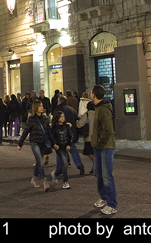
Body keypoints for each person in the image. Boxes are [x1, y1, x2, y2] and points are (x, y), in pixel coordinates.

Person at [90, 85, 118, 215]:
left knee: (107, 176)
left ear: (94, 95)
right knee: (99, 174)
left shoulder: (102, 109)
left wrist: (100, 142)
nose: (90, 94)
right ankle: (103, 197)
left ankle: (112, 204)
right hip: (99, 147)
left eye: (91, 93)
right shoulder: (98, 108)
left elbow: (107, 129)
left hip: (105, 147)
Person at [17, 100, 55, 191]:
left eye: (42, 105)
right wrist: (20, 143)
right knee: (40, 162)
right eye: (40, 106)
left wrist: (54, 143)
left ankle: (34, 178)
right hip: (35, 143)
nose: (42, 107)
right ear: (36, 108)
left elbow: (49, 132)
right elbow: (25, 131)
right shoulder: (31, 119)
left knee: (39, 162)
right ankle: (44, 181)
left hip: (43, 142)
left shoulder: (45, 118)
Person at [53, 94, 85, 175]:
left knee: (59, 152)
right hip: (71, 134)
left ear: (60, 101)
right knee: (73, 150)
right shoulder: (72, 110)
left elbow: (54, 123)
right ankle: (79, 165)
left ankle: (59, 169)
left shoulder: (57, 110)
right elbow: (76, 121)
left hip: (61, 135)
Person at [50, 111, 74, 189]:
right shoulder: (54, 127)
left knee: (64, 164)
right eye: (61, 117)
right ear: (57, 118)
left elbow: (71, 136)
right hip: (59, 147)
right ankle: (65, 181)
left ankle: (55, 173)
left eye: (63, 116)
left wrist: (69, 144)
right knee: (64, 162)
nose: (63, 118)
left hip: (65, 147)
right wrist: (54, 144)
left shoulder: (66, 126)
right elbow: (52, 137)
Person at [76, 99, 95, 174]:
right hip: (97, 137)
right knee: (94, 152)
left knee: (88, 152)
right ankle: (95, 166)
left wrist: (76, 122)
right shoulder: (97, 114)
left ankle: (95, 164)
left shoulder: (87, 114)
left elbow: (80, 124)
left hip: (89, 137)